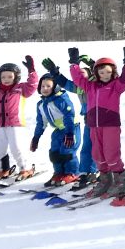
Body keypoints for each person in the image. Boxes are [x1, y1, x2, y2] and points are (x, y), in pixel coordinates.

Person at [65, 45, 125, 198]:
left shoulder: (116, 86)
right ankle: (105, 181)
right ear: (96, 72)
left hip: (110, 125)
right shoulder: (90, 86)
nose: (104, 75)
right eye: (101, 72)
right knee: (97, 155)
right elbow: (78, 78)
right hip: (93, 125)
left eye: (108, 72)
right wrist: (73, 64)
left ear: (113, 73)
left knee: (111, 155)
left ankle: (120, 181)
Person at [41, 55, 96, 188]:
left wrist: (92, 64)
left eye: (83, 73)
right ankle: (85, 173)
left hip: (101, 121)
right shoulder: (79, 88)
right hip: (89, 120)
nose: (80, 76)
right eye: (79, 74)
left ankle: (97, 172)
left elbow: (102, 73)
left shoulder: (95, 85)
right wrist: (55, 72)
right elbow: (64, 82)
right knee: (86, 149)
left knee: (97, 148)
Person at [31, 74, 80, 187]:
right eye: (42, 86)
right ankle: (59, 173)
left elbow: (69, 116)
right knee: (54, 152)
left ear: (55, 87)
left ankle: (72, 173)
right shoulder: (41, 105)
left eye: (48, 86)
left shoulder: (61, 99)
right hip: (58, 131)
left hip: (71, 129)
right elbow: (41, 123)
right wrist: (36, 137)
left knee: (67, 151)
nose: (45, 89)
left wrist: (69, 132)